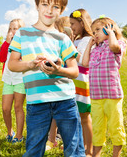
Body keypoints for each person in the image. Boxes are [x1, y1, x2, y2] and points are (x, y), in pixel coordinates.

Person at [8, 0, 85, 157]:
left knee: (74, 148)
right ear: (36, 5)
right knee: (34, 149)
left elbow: (74, 71)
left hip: (65, 99)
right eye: (44, 4)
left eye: (55, 6)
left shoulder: (63, 38)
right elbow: (12, 64)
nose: (49, 10)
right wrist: (30, 64)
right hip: (37, 102)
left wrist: (58, 70)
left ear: (62, 10)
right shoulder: (23, 34)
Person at [81, 16, 127, 157]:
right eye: (93, 31)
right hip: (96, 96)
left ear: (109, 28)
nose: (94, 34)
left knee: (115, 126)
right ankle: (96, 155)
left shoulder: (119, 43)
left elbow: (114, 47)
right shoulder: (95, 49)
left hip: (112, 95)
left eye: (97, 30)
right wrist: (90, 44)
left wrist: (111, 33)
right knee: (97, 128)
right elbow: (84, 63)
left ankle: (115, 155)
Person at [46, 16, 73, 151]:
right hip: (56, 81)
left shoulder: (67, 40)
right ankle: (53, 137)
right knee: (54, 112)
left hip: (67, 81)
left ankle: (58, 138)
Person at [69, 8, 94, 156]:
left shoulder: (87, 40)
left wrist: (71, 46)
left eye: (73, 23)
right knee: (75, 117)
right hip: (72, 82)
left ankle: (89, 150)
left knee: (84, 117)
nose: (71, 27)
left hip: (82, 82)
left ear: (81, 22)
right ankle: (79, 146)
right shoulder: (76, 40)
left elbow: (84, 61)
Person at [0, 19, 26, 144]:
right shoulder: (6, 43)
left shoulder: (24, 43)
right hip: (8, 78)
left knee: (18, 107)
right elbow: (2, 58)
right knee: (5, 108)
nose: (12, 31)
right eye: (10, 29)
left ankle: (19, 136)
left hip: (20, 78)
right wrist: (7, 42)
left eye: (15, 28)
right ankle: (10, 132)